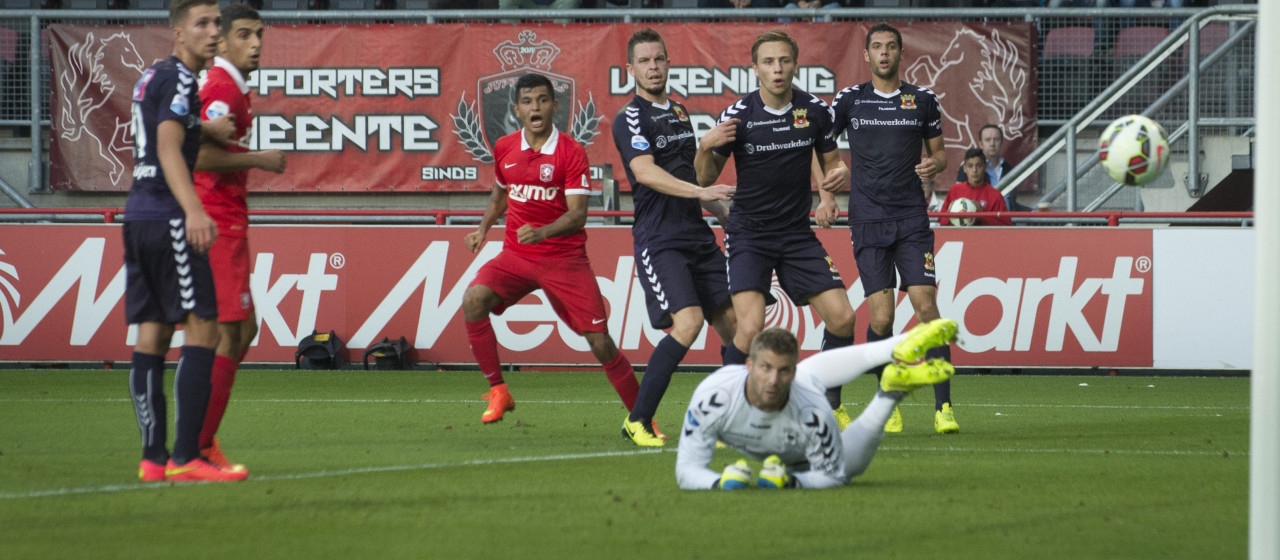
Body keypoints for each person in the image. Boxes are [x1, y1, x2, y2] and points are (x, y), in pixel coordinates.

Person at [694, 30, 858, 429]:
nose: (777, 69)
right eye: (768, 62)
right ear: (755, 69)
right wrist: (704, 147)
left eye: (784, 61)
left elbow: (831, 163)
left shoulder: (815, 111)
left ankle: (827, 402)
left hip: (797, 235)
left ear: (795, 64)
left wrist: (832, 188)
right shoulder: (737, 116)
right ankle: (724, 410)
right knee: (749, 328)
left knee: (843, 319)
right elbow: (703, 183)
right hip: (749, 233)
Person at [463, 72, 640, 426]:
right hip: (516, 256)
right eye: (527, 101)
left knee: (599, 342)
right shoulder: (505, 147)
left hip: (564, 261)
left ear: (555, 106)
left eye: (542, 100)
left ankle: (641, 417)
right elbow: (501, 194)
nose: (535, 107)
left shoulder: (571, 153)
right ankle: (499, 390)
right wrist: (483, 228)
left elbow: (578, 215)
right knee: (473, 301)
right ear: (516, 109)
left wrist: (542, 233)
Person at [125, 0, 246, 483]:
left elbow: (163, 130)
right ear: (178, 33)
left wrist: (203, 126)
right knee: (205, 329)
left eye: (217, 23)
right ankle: (186, 456)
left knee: (152, 333)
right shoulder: (179, 78)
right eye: (203, 24)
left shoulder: (152, 77)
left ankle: (153, 458)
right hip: (168, 213)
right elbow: (169, 146)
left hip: (138, 216)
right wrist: (193, 209)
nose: (214, 32)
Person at [827, 22, 957, 434]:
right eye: (877, 47)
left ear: (901, 54)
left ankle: (944, 408)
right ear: (866, 56)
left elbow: (939, 154)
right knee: (881, 320)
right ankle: (887, 402)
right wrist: (827, 187)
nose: (884, 54)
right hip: (867, 219)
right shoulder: (849, 101)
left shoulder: (922, 101)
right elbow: (819, 144)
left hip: (911, 220)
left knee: (926, 307)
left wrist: (933, 165)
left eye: (891, 47)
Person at [611, 29, 739, 447]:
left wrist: (722, 213)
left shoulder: (680, 112)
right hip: (659, 237)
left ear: (669, 63)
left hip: (696, 234)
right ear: (630, 69)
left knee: (737, 328)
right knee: (689, 323)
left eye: (659, 59)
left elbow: (689, 177)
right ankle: (639, 420)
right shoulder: (629, 117)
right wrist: (703, 192)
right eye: (644, 61)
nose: (653, 67)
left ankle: (721, 424)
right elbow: (645, 171)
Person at [675, 319, 958, 490]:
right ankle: (897, 345)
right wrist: (719, 483)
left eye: (784, 370)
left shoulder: (813, 412)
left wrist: (791, 482)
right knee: (807, 377)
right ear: (748, 365)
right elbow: (687, 470)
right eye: (765, 368)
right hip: (797, 393)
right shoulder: (714, 397)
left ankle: (889, 393)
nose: (773, 380)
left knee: (847, 468)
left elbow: (832, 476)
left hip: (805, 455)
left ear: (792, 373)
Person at [191, 2, 287, 475]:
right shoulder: (223, 88)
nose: (256, 44)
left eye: (260, 35)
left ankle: (199, 442)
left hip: (225, 220)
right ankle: (199, 445)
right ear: (222, 40)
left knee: (233, 331)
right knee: (231, 331)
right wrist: (258, 159)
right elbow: (199, 158)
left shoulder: (232, 86)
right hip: (214, 220)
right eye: (245, 35)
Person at [954, 124, 1028, 212]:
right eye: (988, 140)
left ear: (1001, 142)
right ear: (981, 144)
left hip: (1006, 222)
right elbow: (959, 200)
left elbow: (1011, 203)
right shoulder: (969, 168)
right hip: (982, 222)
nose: (992, 144)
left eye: (996, 139)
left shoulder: (1008, 169)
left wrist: (1032, 211)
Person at [940, 148, 1012, 226]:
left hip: (984, 237)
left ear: (986, 167)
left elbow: (1006, 226)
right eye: (970, 166)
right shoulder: (954, 190)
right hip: (958, 237)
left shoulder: (995, 195)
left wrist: (981, 216)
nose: (974, 170)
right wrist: (954, 212)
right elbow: (941, 220)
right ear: (964, 168)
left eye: (979, 166)